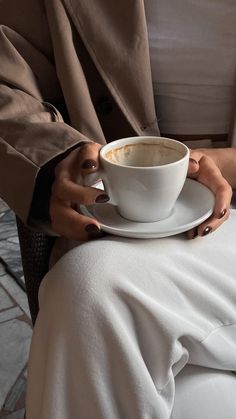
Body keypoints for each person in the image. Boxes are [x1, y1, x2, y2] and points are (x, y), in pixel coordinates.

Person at [0, 1, 236, 418]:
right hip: (120, 217)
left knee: (89, 290)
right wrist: (56, 155)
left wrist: (224, 163)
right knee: (90, 292)